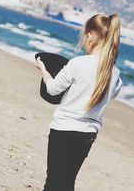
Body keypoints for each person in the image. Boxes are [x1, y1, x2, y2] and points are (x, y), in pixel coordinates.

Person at [35, 13, 123, 191]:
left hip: (64, 129)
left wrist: (43, 69)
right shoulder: (114, 72)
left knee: (53, 182)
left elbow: (52, 89)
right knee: (68, 182)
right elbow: (112, 93)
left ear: (90, 35)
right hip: (87, 135)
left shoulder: (78, 63)